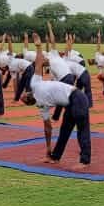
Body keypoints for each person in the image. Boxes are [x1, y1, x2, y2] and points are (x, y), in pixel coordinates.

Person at [21, 34, 91, 167]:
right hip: (74, 100)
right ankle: (55, 157)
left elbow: (38, 63)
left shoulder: (38, 93)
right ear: (28, 96)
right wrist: (38, 46)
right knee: (66, 130)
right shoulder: (39, 98)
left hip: (76, 98)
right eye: (24, 96)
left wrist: (39, 46)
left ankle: (84, 161)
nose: (24, 93)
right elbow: (48, 128)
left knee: (82, 130)